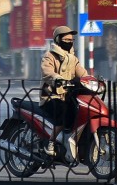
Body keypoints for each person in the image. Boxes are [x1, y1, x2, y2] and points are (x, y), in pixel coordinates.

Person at [40, 25, 87, 157]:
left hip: (68, 96)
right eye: (66, 40)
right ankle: (51, 142)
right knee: (63, 112)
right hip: (51, 97)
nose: (69, 42)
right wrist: (57, 78)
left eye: (71, 40)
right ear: (58, 40)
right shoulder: (49, 56)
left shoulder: (73, 58)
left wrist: (92, 81)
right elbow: (47, 72)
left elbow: (82, 73)